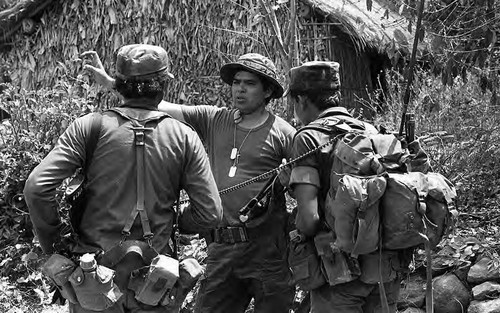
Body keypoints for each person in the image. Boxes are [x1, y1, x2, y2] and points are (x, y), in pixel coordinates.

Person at [83, 51, 296, 313]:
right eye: (236, 82)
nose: (239, 89)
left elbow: (305, 180)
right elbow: (154, 106)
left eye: (250, 84)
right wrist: (115, 84)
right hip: (221, 248)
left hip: (268, 250)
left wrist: (290, 181)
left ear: (267, 92)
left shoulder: (284, 132)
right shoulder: (216, 118)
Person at [24, 44, 223, 313]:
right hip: (156, 284)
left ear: (118, 85)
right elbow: (210, 213)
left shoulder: (90, 127)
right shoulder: (184, 136)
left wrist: (57, 246)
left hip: (93, 282)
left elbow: (37, 188)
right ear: (163, 85)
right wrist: (180, 220)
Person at [287, 61, 409, 312]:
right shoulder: (372, 132)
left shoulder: (307, 138)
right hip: (385, 269)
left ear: (300, 100)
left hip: (340, 274)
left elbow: (309, 219)